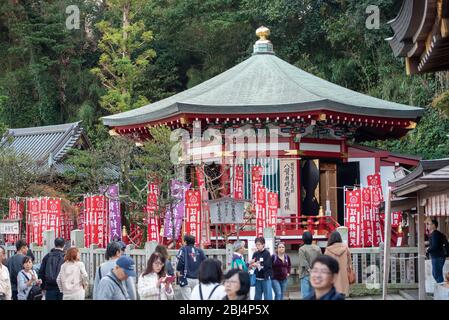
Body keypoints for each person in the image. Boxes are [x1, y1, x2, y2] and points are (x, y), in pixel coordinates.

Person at [176, 234, 206, 300]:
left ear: (185, 242)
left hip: (186, 277)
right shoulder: (200, 251)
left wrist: (178, 270)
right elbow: (206, 262)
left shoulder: (183, 249)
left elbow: (180, 260)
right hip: (198, 278)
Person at [324, 231, 352, 297]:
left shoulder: (328, 250)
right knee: (342, 294)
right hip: (343, 276)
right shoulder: (345, 248)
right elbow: (349, 262)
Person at [298, 231, 322, 298]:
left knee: (306, 295)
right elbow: (321, 260)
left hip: (305, 274)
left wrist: (310, 270)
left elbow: (303, 262)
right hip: (316, 273)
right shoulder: (317, 248)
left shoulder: (302, 249)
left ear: (303, 239)